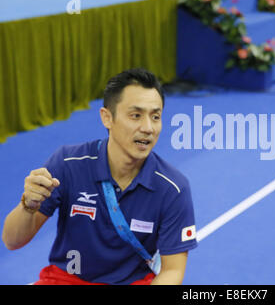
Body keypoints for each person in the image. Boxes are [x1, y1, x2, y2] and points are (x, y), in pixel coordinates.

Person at [2, 68, 198, 285]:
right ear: (107, 118)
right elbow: (12, 241)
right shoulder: (68, 164)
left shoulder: (173, 188)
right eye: (136, 116)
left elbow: (172, 272)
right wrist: (27, 205)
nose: (148, 128)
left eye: (156, 116)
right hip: (67, 280)